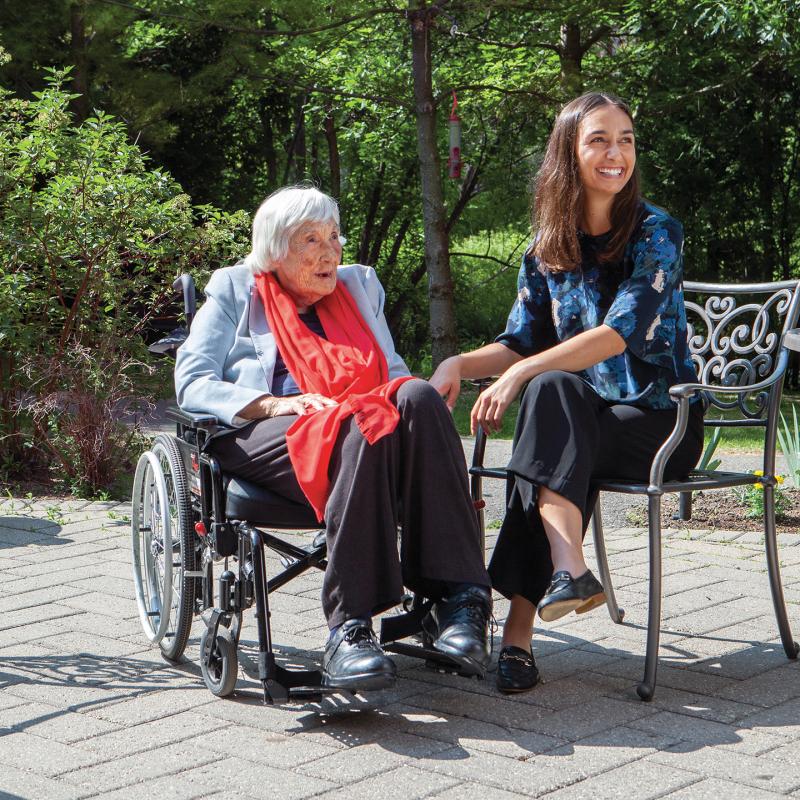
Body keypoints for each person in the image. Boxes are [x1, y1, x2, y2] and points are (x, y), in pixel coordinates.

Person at [429, 92, 703, 694]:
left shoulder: (656, 233)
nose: (616, 153)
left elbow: (615, 335)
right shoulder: (547, 246)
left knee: (544, 429)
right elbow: (519, 342)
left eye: (626, 139)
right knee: (553, 409)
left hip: (661, 422)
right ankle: (567, 572)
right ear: (568, 152)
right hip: (579, 423)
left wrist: (519, 375)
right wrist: (456, 362)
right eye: (599, 139)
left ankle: (514, 632)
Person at [175, 185, 492, 692]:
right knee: (362, 422)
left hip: (358, 433)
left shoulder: (360, 286)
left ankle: (461, 602)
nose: (329, 252)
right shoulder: (236, 288)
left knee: (416, 396)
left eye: (334, 237)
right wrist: (277, 403)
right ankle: (349, 628)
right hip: (263, 430)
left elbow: (391, 373)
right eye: (311, 240)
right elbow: (192, 382)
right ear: (276, 249)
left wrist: (407, 407)